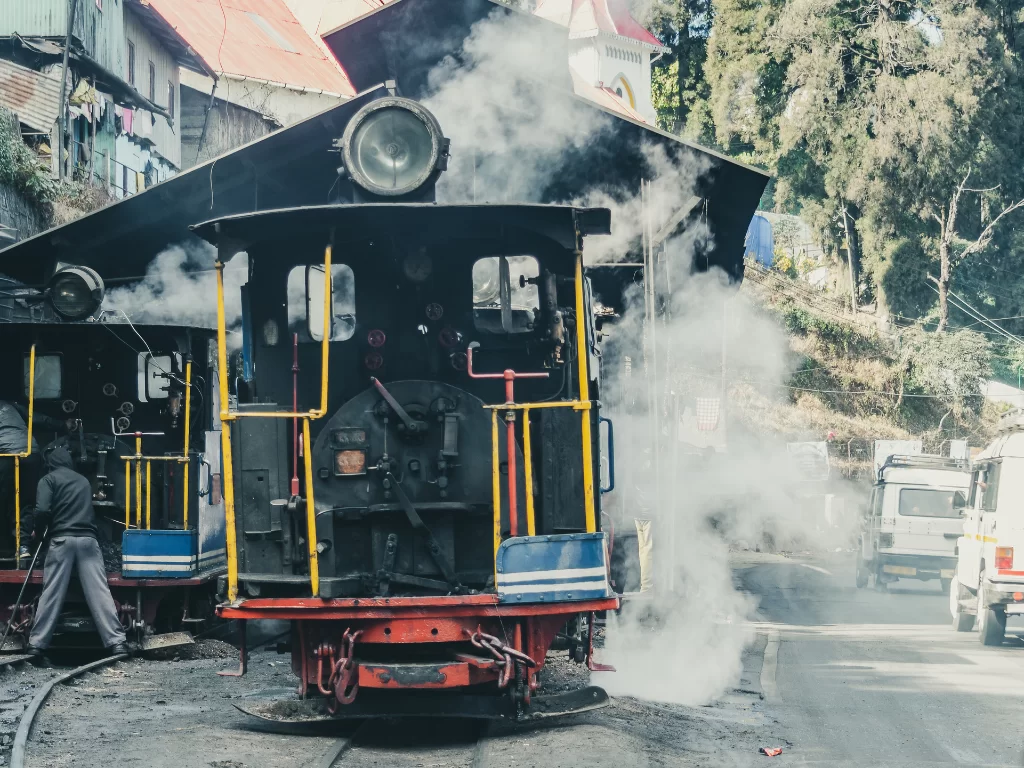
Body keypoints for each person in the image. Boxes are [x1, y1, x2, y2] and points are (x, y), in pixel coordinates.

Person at [26, 447, 128, 661]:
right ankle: (117, 643)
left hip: (62, 540)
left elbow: (42, 510)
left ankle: (37, 645)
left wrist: (38, 531)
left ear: (50, 463)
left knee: (52, 592)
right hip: (88, 541)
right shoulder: (83, 481)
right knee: (100, 591)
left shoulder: (48, 480)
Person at [0, 400, 68, 558]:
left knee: (7, 499)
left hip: (5, 454)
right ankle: (23, 546)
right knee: (26, 501)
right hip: (30, 452)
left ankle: (9, 542)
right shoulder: (10, 405)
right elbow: (36, 418)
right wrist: (63, 425)